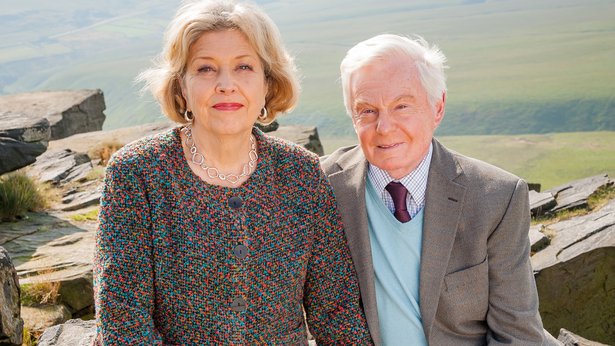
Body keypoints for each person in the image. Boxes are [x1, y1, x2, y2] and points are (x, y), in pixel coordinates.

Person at [93, 0, 372, 344]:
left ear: (268, 84)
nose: (226, 84)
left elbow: (337, 312)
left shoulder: (302, 173)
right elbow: (123, 324)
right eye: (206, 69)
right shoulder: (137, 174)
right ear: (181, 86)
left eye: (244, 67)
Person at [320, 34, 549, 345]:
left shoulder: (497, 198)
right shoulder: (321, 186)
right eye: (367, 110)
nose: (384, 127)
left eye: (401, 106)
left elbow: (517, 335)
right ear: (353, 116)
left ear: (437, 107)